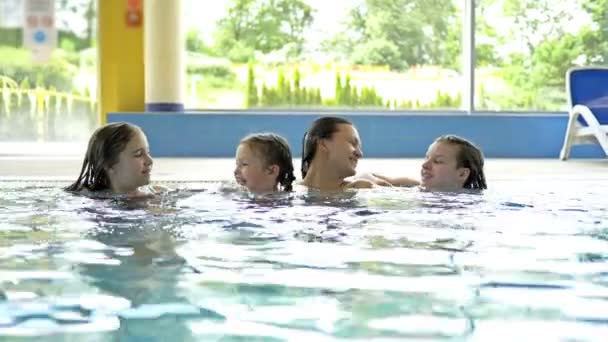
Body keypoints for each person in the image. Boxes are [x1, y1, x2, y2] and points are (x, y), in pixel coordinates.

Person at [65, 122, 165, 197]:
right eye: (138, 154)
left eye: (147, 152)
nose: (149, 161)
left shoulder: (159, 193)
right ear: (110, 165)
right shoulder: (86, 198)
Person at [372, 134, 487, 191]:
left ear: (462, 174)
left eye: (437, 161)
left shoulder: (468, 207)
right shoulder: (412, 186)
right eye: (426, 158)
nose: (425, 165)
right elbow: (370, 177)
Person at [299, 116, 379, 192]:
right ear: (323, 144)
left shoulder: (363, 189)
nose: (360, 154)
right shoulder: (290, 190)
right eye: (352, 143)